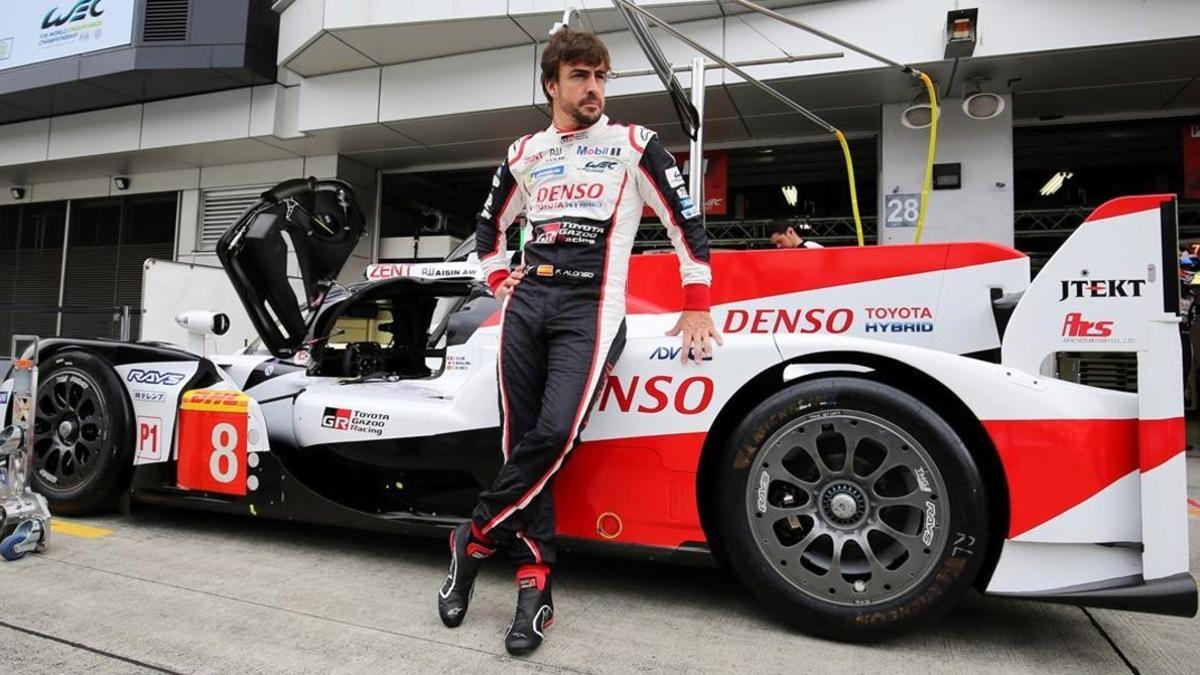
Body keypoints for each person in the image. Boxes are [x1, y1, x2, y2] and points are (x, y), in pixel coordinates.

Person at [437, 27, 721, 655]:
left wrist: (696, 302)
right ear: (552, 85)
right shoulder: (524, 152)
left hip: (592, 306)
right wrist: (493, 273)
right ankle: (534, 585)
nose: (593, 88)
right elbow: (488, 227)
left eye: (600, 77)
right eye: (580, 77)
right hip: (526, 304)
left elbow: (686, 224)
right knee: (519, 444)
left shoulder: (635, 144)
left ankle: (472, 537)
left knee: (556, 433)